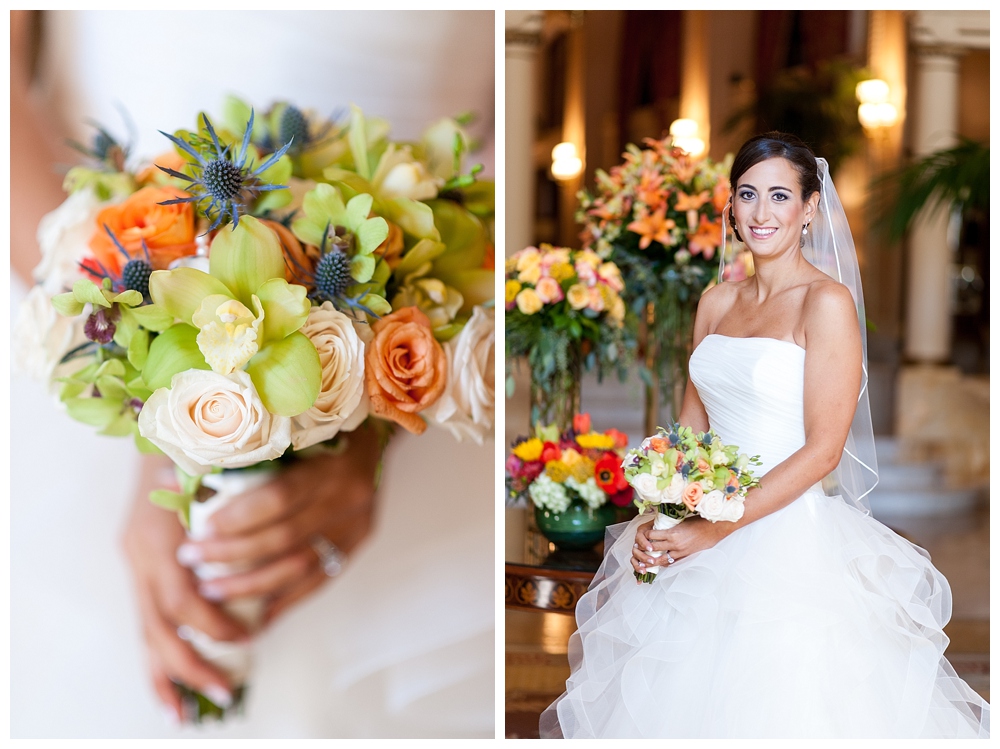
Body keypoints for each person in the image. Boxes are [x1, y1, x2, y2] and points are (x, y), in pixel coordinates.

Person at [10, 10, 494, 738]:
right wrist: (151, 396)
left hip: (416, 305)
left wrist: (373, 409)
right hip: (85, 292)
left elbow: (494, 133)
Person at [539, 132, 990, 739]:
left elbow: (823, 449)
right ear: (730, 206)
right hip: (697, 530)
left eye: (779, 196)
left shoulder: (824, 304)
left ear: (809, 209)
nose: (760, 212)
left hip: (783, 540)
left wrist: (714, 528)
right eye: (747, 194)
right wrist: (664, 514)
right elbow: (689, 430)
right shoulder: (715, 302)